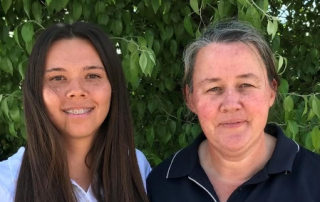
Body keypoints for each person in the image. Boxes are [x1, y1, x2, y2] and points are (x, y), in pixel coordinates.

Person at [147, 20, 320, 202]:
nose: (230, 104)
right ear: (190, 98)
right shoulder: (159, 184)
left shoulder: (315, 180)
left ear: (272, 91)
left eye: (246, 85)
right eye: (213, 88)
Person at [0, 22, 151, 202]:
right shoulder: (6, 184)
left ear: (113, 86)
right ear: (36, 92)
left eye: (92, 75)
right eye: (58, 78)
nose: (77, 90)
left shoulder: (136, 166)